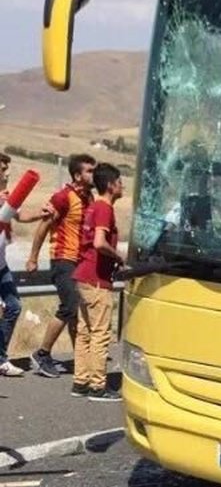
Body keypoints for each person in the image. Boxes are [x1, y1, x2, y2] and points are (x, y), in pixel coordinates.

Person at [25, 152, 96, 377]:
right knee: (70, 306)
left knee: (79, 311)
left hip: (81, 262)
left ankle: (81, 359)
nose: (94, 174)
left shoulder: (90, 198)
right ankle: (42, 354)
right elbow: (43, 227)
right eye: (89, 171)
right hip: (63, 259)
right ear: (77, 175)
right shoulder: (63, 197)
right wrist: (33, 257)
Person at [71, 162, 125, 401]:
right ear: (112, 185)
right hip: (96, 279)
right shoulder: (104, 208)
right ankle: (97, 385)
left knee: (84, 332)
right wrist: (119, 257)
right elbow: (99, 242)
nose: (122, 186)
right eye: (120, 182)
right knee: (100, 333)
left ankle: (80, 381)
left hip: (82, 276)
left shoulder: (93, 207)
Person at [0, 152, 47, 377]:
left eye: (7, 169)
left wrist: (43, 214)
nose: (7, 173)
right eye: (2, 169)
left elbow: (20, 216)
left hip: (1, 266)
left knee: (14, 306)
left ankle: (0, 358)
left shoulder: (6, 198)